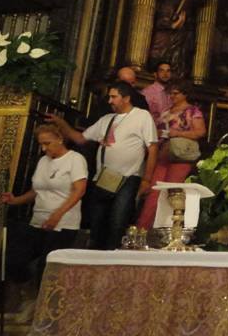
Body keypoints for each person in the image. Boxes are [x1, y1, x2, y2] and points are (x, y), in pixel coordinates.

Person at [47, 83, 158, 250]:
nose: (110, 101)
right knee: (98, 223)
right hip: (104, 178)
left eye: (114, 97)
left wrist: (146, 179)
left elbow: (153, 147)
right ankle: (96, 255)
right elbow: (80, 139)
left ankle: (113, 257)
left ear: (126, 98)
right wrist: (61, 123)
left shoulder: (142, 116)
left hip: (129, 177)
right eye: (109, 97)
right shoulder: (106, 119)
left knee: (118, 221)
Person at [1, 124, 87, 283]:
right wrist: (15, 200)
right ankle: (23, 292)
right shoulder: (43, 161)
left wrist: (57, 215)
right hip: (38, 221)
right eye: (41, 144)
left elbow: (79, 190)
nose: (43, 148)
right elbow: (36, 191)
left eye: (47, 143)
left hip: (63, 224)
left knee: (46, 269)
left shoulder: (75, 159)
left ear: (60, 139)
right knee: (15, 260)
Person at [136, 80, 207, 229]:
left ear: (185, 94)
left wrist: (178, 133)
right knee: (154, 192)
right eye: (171, 93)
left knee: (171, 193)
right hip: (163, 154)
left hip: (180, 156)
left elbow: (200, 132)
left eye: (176, 93)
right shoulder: (167, 111)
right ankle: (143, 229)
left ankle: (166, 231)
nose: (172, 96)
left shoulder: (193, 111)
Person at [148, 0, 198, 78]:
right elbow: (158, 19)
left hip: (177, 33)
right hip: (164, 34)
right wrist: (172, 25)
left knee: (177, 56)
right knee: (159, 55)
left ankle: (174, 72)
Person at [142, 60, 173, 133]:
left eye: (168, 71)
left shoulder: (173, 92)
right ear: (155, 74)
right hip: (152, 131)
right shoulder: (147, 92)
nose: (165, 74)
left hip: (170, 131)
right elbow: (143, 115)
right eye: (162, 71)